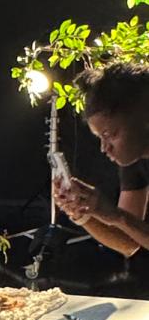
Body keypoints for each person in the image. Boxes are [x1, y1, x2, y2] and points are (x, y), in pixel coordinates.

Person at [53, 62, 149, 257]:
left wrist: (118, 216)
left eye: (111, 134)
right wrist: (85, 212)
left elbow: (126, 223)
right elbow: (129, 242)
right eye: (100, 137)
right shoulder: (135, 161)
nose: (105, 148)